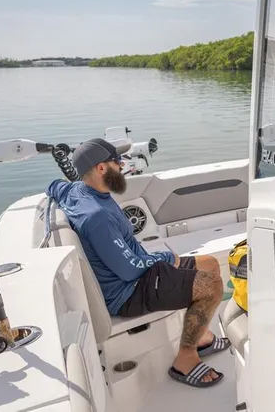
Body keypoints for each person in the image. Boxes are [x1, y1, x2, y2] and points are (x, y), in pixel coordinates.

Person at [46, 138, 230, 388]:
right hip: (129, 291)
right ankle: (185, 359)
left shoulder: (75, 190)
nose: (122, 165)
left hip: (139, 272)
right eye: (116, 161)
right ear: (101, 168)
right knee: (212, 286)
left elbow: (53, 186)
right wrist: (166, 257)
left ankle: (200, 338)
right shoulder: (97, 217)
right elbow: (129, 269)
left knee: (209, 264)